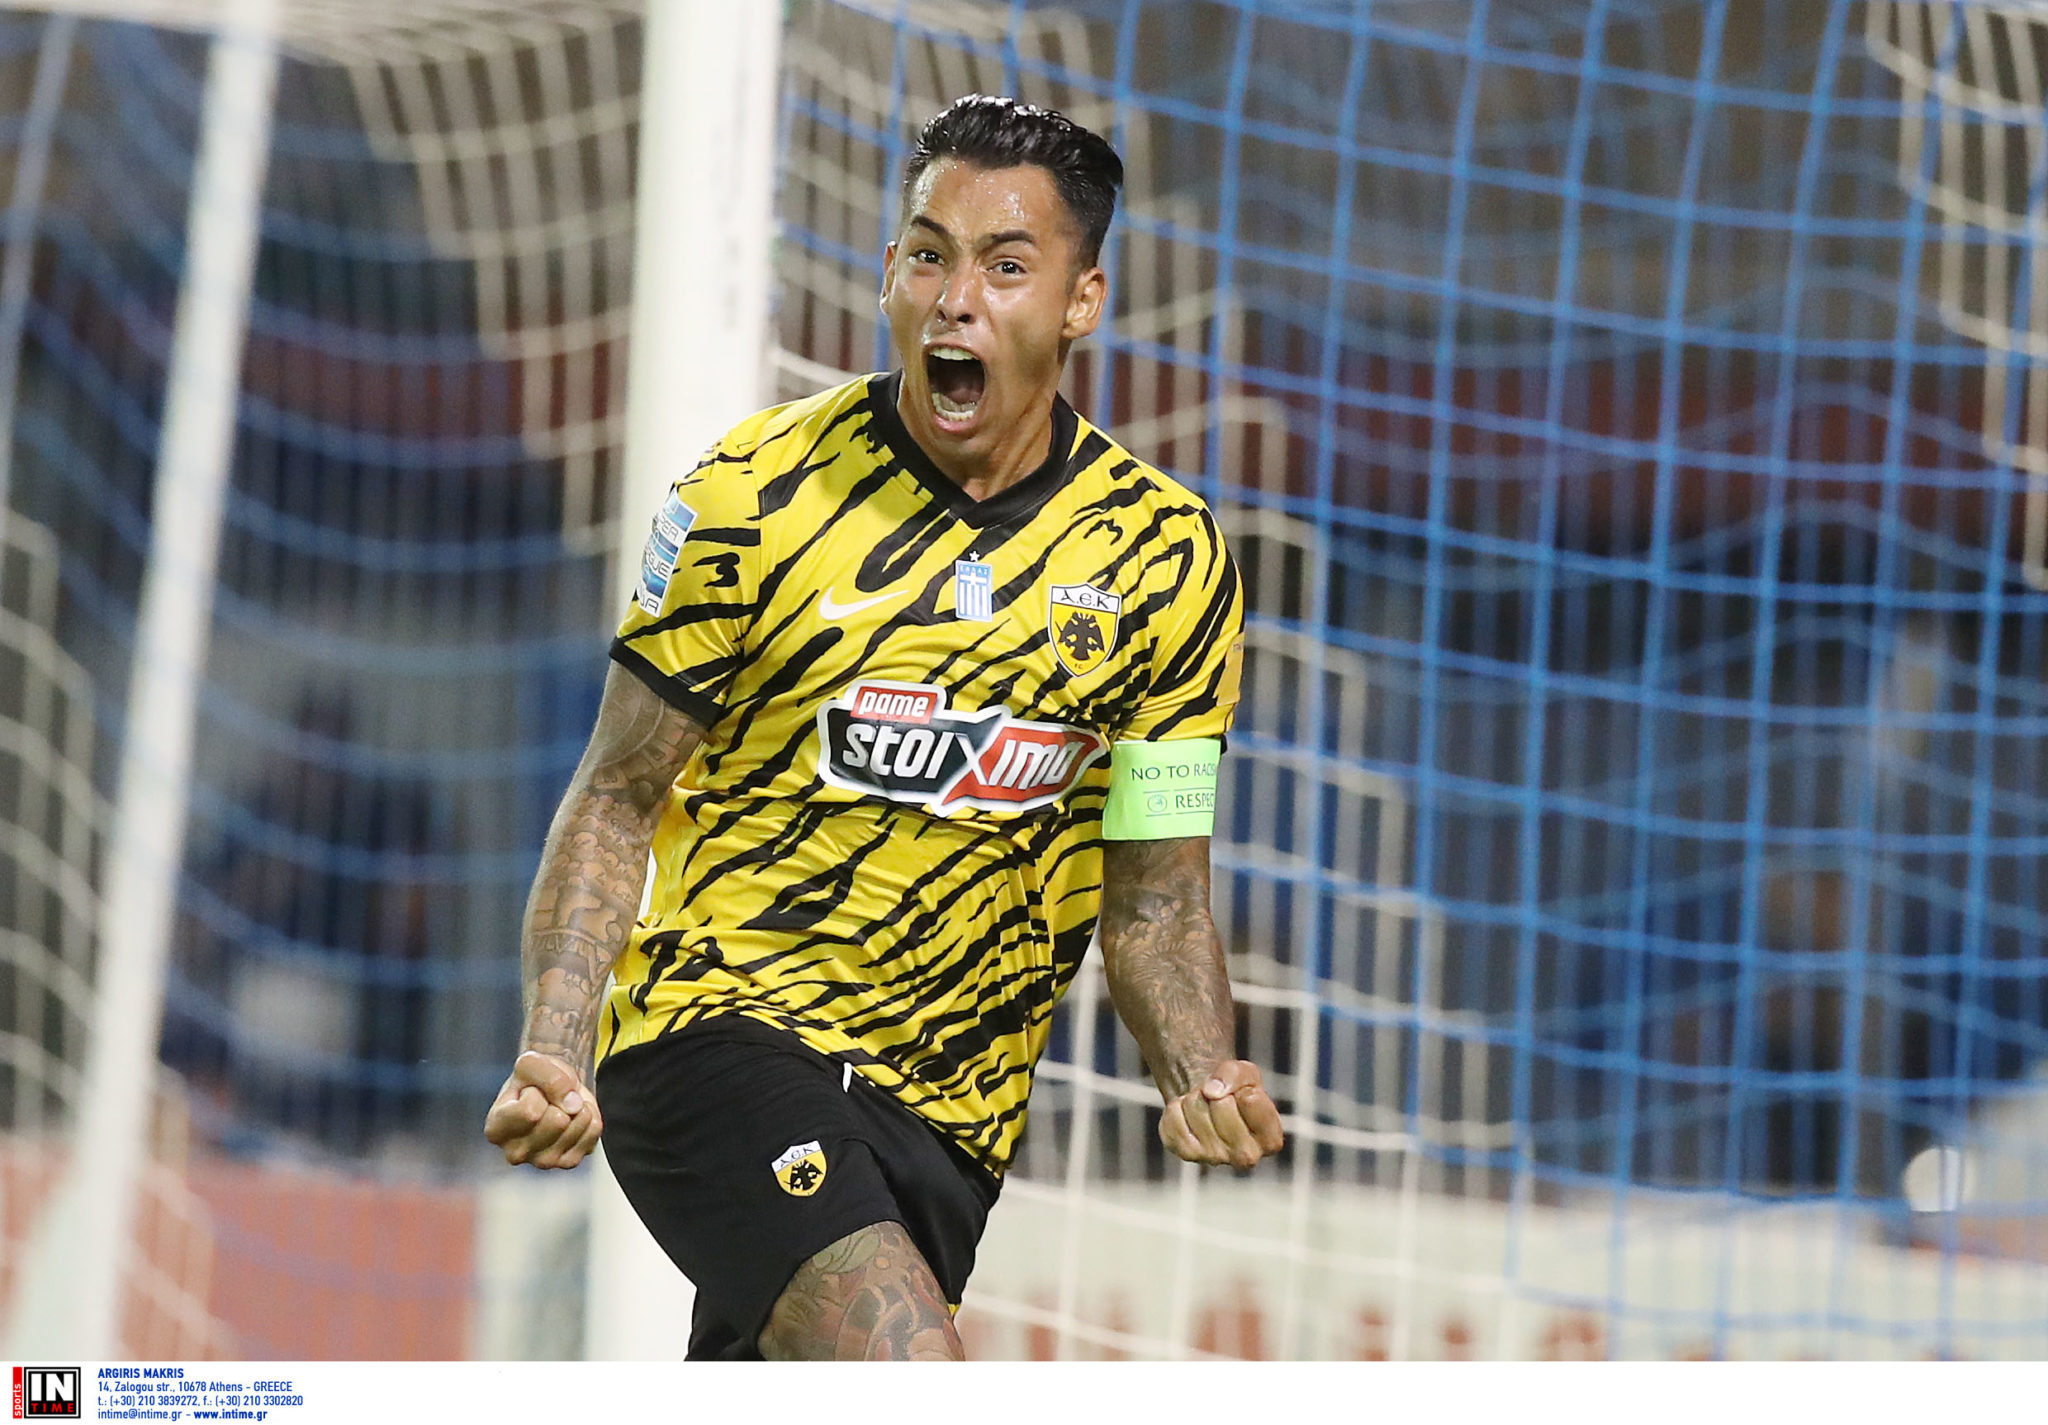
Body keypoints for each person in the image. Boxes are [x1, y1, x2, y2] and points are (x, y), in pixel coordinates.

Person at [484, 93, 1284, 1360]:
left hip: (949, 1120)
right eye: (926, 254)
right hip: (720, 1036)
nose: (953, 299)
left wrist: (1197, 1067)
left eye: (1004, 266)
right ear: (888, 272)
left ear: (1081, 300)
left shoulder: (1163, 561)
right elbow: (617, 793)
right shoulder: (752, 496)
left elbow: (1154, 894)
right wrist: (555, 1042)